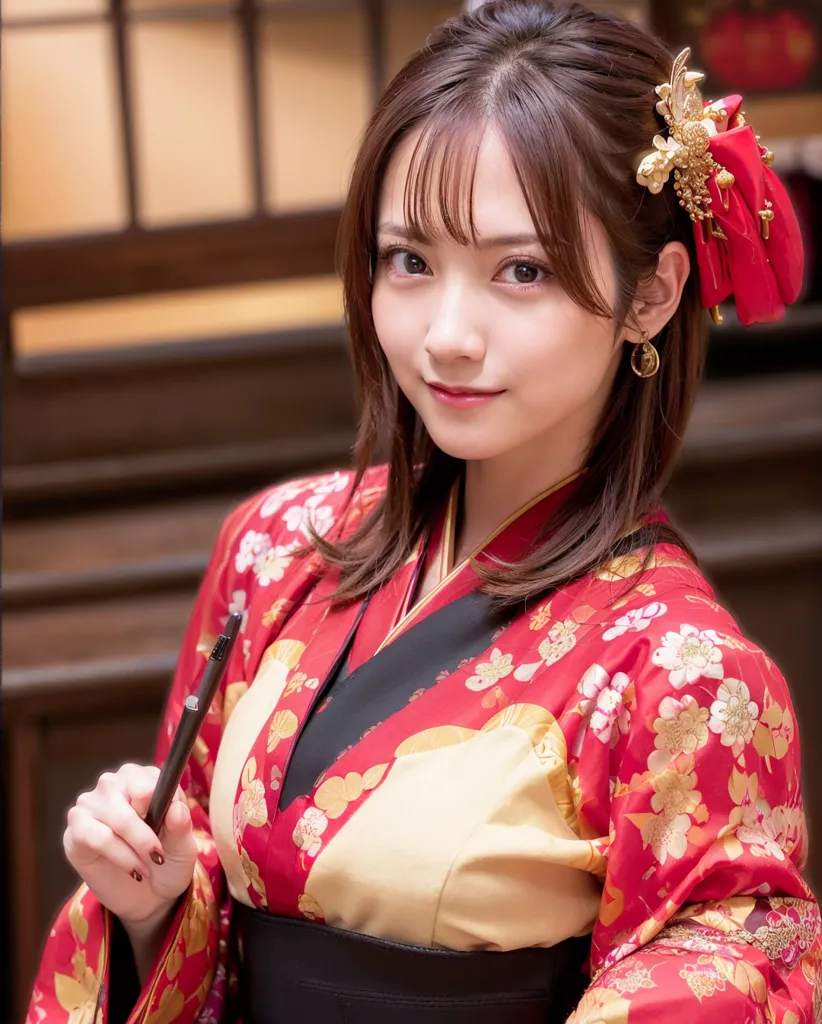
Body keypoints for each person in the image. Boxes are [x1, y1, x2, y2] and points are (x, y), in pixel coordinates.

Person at [27, 2, 820, 1022]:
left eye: (520, 271)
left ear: (652, 293)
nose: (446, 335)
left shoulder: (684, 674)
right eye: (409, 260)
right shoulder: (276, 548)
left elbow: (727, 978)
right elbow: (218, 922)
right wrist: (156, 901)